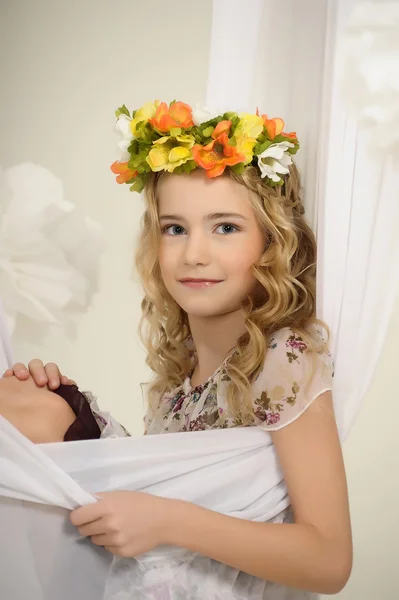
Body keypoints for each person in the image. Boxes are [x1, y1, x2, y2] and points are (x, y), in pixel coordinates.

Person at [3, 101, 352, 597]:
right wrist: (63, 403)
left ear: (271, 243)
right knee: (22, 406)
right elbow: (165, 473)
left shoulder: (286, 357)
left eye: (225, 227)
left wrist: (168, 522)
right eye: (175, 228)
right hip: (149, 569)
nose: (194, 254)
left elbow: (329, 560)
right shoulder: (182, 360)